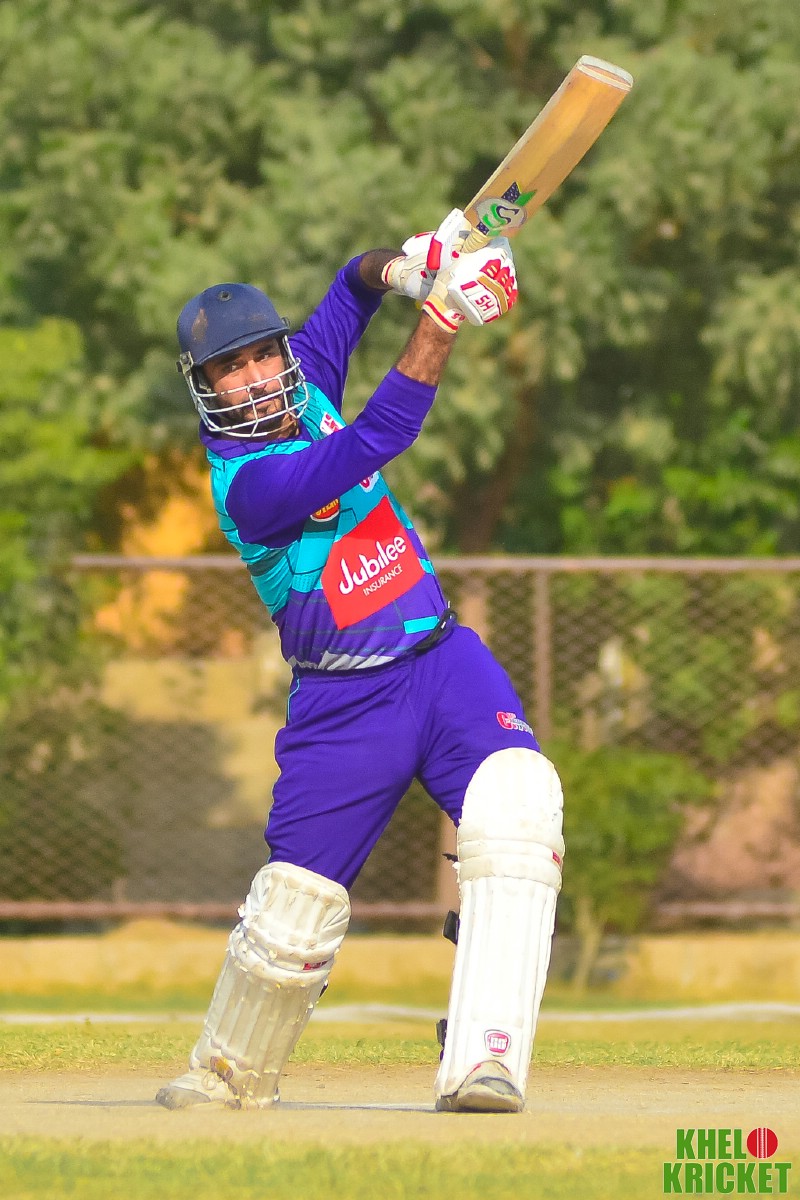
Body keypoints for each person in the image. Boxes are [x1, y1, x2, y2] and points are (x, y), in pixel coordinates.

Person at [156, 210, 565, 1114]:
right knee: (294, 906)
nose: (254, 376)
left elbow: (351, 280)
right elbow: (376, 438)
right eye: (229, 368)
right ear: (204, 386)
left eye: (260, 354)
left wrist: (411, 270)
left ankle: (485, 1058)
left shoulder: (306, 380)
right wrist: (442, 319)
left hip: (442, 660)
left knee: (519, 809)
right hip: (345, 704)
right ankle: (229, 1070)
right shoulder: (248, 484)